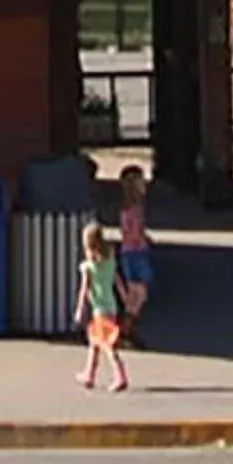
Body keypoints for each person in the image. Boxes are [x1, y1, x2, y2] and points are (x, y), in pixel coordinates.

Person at [75, 224, 130, 392]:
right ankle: (89, 374)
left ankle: (120, 376)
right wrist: (125, 297)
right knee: (95, 343)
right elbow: (117, 280)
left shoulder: (89, 267)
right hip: (111, 307)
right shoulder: (110, 261)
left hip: (99, 310)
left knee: (107, 345)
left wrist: (79, 309)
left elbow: (84, 289)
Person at [114, 166, 154, 340]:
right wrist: (143, 238)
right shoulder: (131, 211)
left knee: (137, 292)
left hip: (132, 252)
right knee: (139, 292)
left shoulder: (134, 209)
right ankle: (127, 325)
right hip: (135, 252)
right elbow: (132, 233)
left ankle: (129, 324)